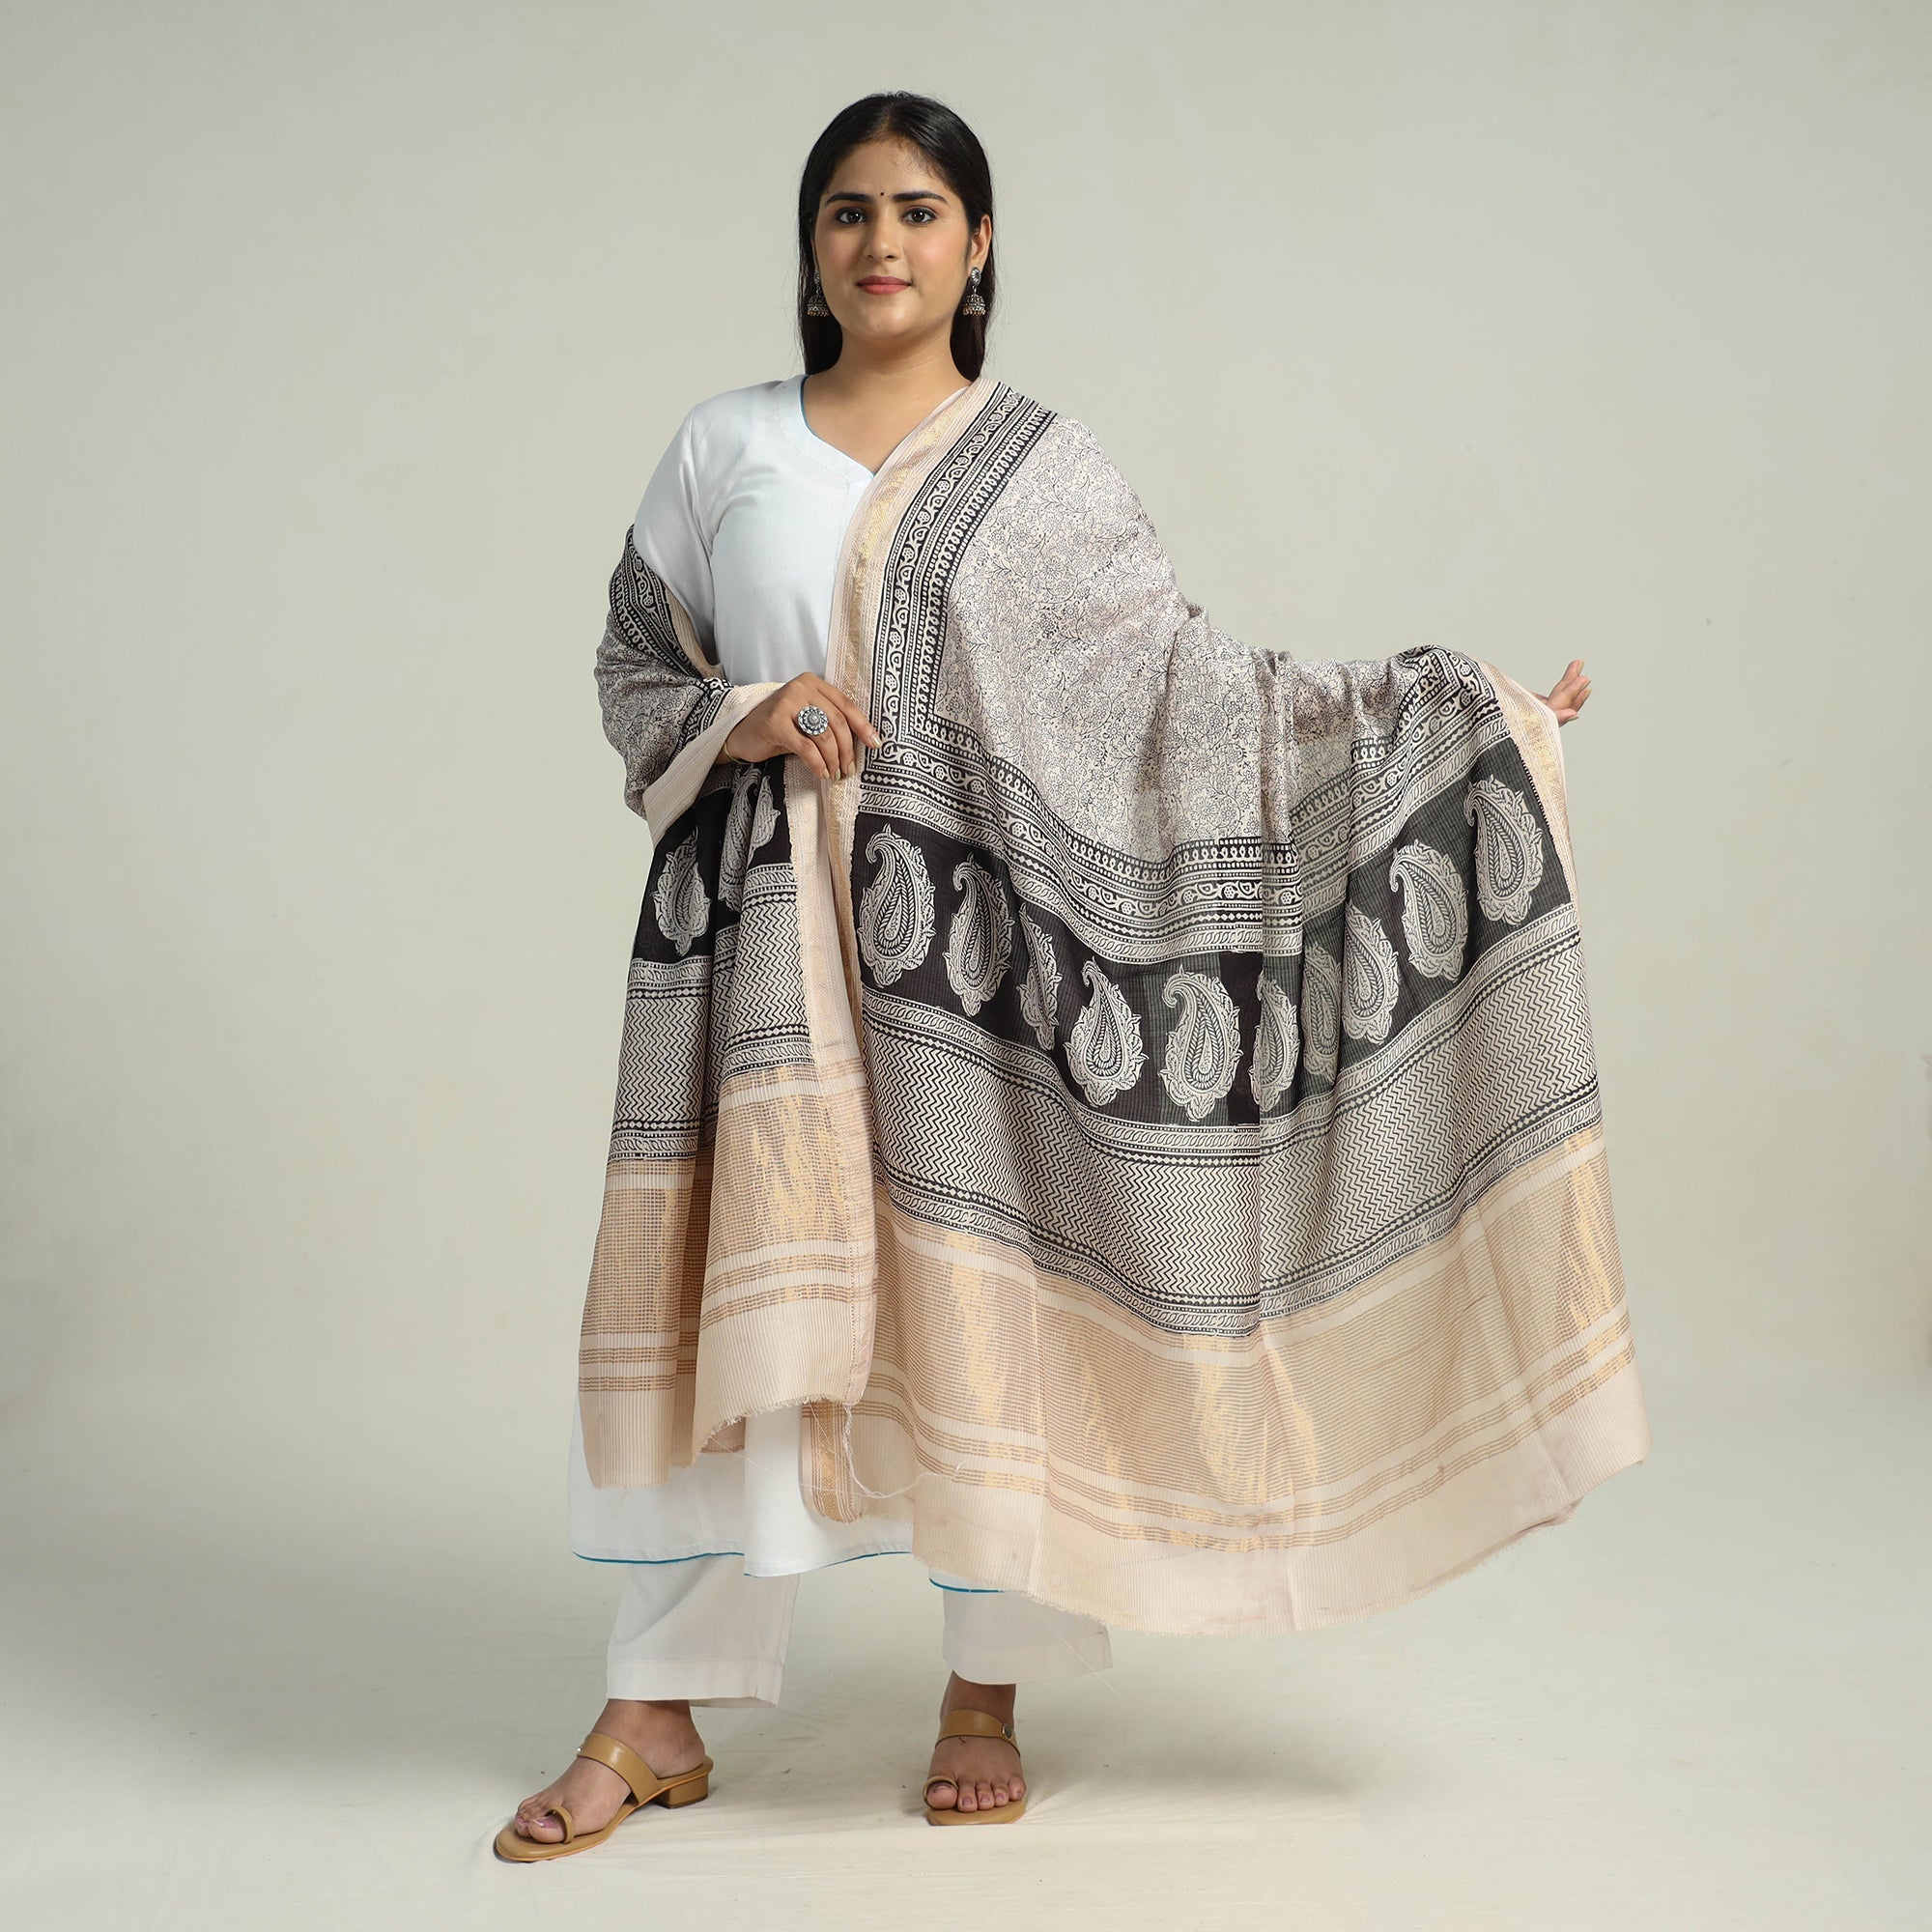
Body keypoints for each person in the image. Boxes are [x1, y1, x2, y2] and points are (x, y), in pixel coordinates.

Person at [497, 90, 1626, 1861]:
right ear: (812, 246)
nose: (883, 241)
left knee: (991, 1300)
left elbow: (1191, 695)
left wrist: (1453, 714)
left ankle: (985, 1687)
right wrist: (752, 714)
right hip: (758, 952)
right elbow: (636, 668)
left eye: (919, 210)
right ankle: (656, 1709)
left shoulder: (1045, 471)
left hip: (979, 960)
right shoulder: (726, 446)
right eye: (850, 210)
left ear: (978, 246)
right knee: (738, 1303)